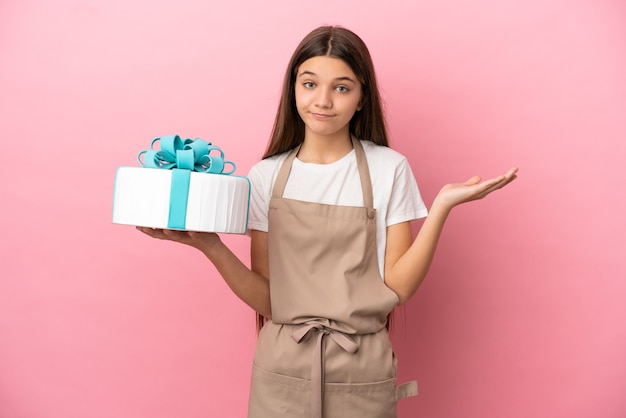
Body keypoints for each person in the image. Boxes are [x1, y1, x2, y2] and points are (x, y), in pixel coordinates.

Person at [138, 25, 517, 418]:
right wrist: (209, 245)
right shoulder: (266, 176)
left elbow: (398, 288)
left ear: (361, 97)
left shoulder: (388, 168)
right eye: (309, 84)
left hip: (361, 366)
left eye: (341, 87)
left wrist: (440, 207)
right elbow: (269, 299)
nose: (323, 100)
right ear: (293, 90)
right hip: (281, 370)